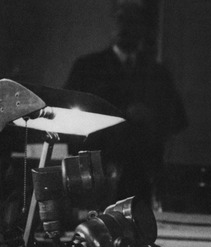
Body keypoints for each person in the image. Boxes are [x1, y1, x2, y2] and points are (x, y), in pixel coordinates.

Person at [64, 1, 187, 206]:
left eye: (132, 21)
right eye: (120, 19)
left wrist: (152, 117)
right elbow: (68, 116)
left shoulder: (157, 73)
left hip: (141, 177)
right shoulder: (87, 68)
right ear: (112, 23)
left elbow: (177, 121)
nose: (124, 27)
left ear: (143, 27)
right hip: (96, 173)